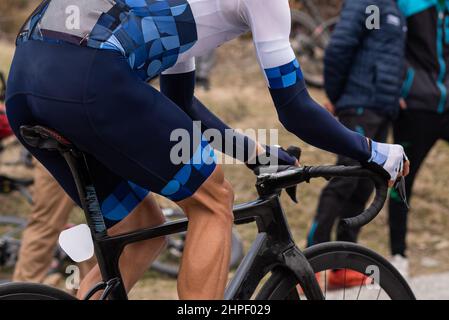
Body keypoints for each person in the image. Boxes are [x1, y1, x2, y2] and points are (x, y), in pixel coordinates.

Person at [6, 0, 408, 300]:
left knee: (137, 231)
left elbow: (181, 104)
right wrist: (373, 152)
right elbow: (296, 109)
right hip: (91, 76)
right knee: (214, 200)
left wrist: (255, 154)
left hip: (27, 78)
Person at [306, 0, 406, 287]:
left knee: (365, 183)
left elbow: (390, 57)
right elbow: (339, 48)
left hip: (381, 108)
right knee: (344, 181)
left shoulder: (394, 8)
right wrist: (337, 97)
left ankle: (341, 266)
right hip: (358, 104)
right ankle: (308, 263)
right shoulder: (364, 3)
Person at [388, 0, 449, 277]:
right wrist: (398, 88)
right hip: (416, 105)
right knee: (401, 179)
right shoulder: (406, 4)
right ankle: (398, 253)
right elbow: (388, 45)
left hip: (446, 103)